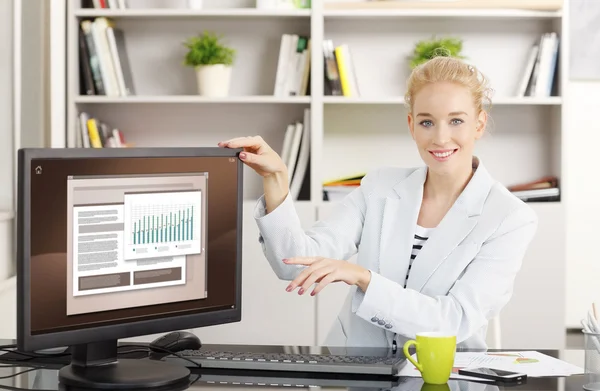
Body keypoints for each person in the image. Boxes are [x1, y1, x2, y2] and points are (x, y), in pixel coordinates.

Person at [218, 55, 538, 350]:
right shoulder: (380, 186)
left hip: (444, 379)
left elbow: (452, 321)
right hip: (357, 372)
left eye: (456, 121)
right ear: (412, 125)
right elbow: (294, 262)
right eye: (427, 122)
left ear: (479, 124)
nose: (440, 137)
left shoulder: (509, 217)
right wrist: (276, 179)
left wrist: (363, 278)